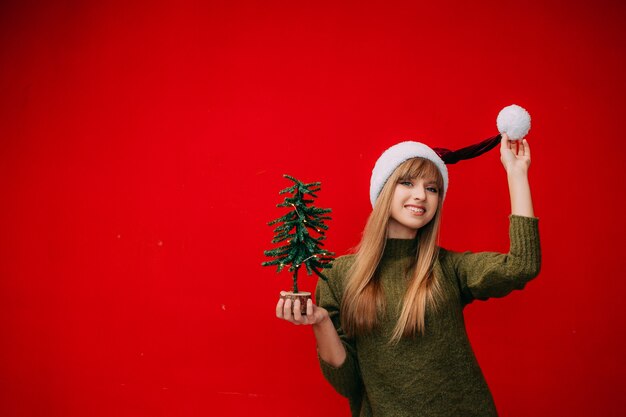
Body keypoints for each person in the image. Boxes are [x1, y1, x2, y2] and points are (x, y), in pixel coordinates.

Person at [275, 133, 541, 417]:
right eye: (407, 182)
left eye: (432, 188)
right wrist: (321, 322)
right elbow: (348, 383)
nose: (420, 195)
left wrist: (516, 173)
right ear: (384, 189)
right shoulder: (339, 274)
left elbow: (521, 265)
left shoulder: (448, 267)